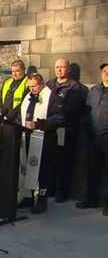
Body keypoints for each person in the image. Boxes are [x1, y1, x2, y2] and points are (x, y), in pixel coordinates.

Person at [17, 73, 63, 214]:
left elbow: (59, 119)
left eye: (35, 86)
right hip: (28, 138)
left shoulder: (52, 97)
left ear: (42, 83)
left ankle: (42, 199)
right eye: (30, 86)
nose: (32, 89)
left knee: (43, 170)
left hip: (45, 139)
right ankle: (28, 197)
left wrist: (38, 124)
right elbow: (19, 111)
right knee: (27, 168)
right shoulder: (28, 96)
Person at [46, 58, 86, 203]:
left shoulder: (75, 87)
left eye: (62, 67)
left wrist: (56, 111)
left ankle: (62, 192)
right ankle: (49, 189)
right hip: (50, 129)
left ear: (68, 69)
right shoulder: (49, 85)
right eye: (57, 67)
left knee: (63, 162)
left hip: (66, 129)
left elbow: (71, 109)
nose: (59, 70)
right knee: (50, 160)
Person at [76, 63, 108, 216]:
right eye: (104, 71)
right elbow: (87, 110)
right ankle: (91, 199)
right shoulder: (94, 90)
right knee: (92, 170)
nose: (106, 73)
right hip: (93, 136)